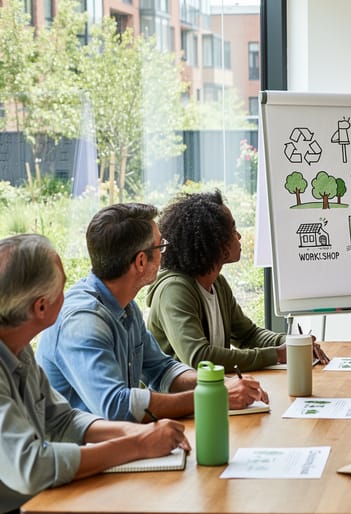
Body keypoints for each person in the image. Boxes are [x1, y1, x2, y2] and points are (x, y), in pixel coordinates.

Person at [0, 234, 190, 513]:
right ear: (41, 307)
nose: (70, 294)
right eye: (63, 287)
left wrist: (136, 431)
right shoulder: (80, 318)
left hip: (42, 499)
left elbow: (62, 420)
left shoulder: (19, 346)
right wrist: (137, 444)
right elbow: (31, 468)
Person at [36, 203, 267, 423]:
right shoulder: (83, 322)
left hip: (119, 445)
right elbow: (116, 407)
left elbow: (161, 370)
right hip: (85, 457)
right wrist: (213, 397)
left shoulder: (126, 307)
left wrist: (218, 384)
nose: (164, 253)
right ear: (140, 261)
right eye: (160, 246)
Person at [146, 190, 295, 371]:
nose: (238, 236)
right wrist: (276, 354)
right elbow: (200, 357)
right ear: (213, 242)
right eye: (232, 230)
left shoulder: (218, 284)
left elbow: (248, 335)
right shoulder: (174, 290)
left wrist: (290, 343)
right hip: (180, 397)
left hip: (210, 393)